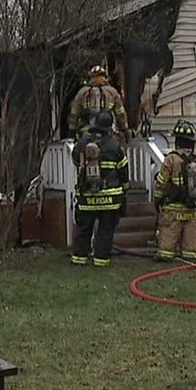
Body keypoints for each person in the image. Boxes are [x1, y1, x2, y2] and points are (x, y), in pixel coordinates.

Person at [70, 111, 129, 267]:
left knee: (84, 229)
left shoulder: (82, 144)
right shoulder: (115, 145)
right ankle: (101, 260)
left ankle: (79, 258)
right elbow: (123, 171)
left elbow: (75, 161)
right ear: (109, 128)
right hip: (110, 199)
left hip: (87, 197)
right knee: (105, 231)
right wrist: (124, 190)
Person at [152, 120, 196, 262]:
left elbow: (161, 182)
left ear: (177, 140)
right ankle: (189, 255)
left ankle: (165, 256)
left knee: (166, 247)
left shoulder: (171, 159)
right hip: (194, 212)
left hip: (174, 210)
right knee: (191, 247)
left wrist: (157, 199)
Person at [68, 65, 129, 142]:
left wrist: (71, 131)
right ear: (104, 77)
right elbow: (120, 114)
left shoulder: (82, 93)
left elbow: (74, 114)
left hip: (86, 133)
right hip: (108, 133)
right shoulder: (112, 92)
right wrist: (125, 129)